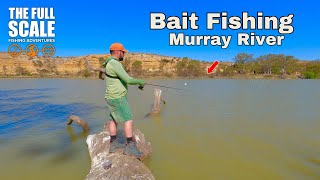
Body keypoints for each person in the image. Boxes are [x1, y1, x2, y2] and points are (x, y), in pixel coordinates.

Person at [93, 42, 145, 159]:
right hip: (118, 97)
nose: (124, 54)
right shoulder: (115, 63)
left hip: (110, 97)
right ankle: (130, 147)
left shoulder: (108, 63)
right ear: (118, 52)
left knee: (114, 119)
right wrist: (140, 81)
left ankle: (113, 144)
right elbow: (128, 79)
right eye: (123, 52)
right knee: (128, 119)